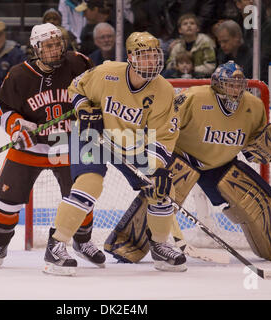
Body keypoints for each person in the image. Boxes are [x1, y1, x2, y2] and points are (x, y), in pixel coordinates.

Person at [104, 61, 271, 264]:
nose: (235, 89)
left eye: (239, 85)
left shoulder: (253, 106)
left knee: (256, 195)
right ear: (217, 84)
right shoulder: (193, 97)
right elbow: (164, 125)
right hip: (182, 157)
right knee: (161, 193)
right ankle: (127, 241)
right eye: (230, 84)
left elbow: (251, 150)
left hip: (221, 163)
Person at [43, 31, 186, 276]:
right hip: (93, 135)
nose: (152, 62)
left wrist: (158, 168)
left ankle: (160, 245)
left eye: (155, 56)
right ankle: (56, 246)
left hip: (132, 142)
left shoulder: (165, 91)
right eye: (145, 56)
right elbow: (75, 89)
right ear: (131, 57)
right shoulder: (105, 73)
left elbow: (163, 136)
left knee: (162, 190)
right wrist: (85, 111)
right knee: (90, 185)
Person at [0, 23, 96, 268]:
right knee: (7, 201)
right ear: (36, 49)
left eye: (58, 44)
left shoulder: (79, 63)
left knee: (81, 196)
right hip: (30, 145)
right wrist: (17, 127)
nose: (55, 49)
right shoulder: (19, 75)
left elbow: (97, 91)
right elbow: (3, 110)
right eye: (48, 46)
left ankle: (83, 242)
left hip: (69, 143)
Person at [165, 13, 216, 78]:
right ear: (180, 30)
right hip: (180, 74)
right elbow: (169, 64)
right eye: (185, 24)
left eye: (192, 23)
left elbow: (211, 66)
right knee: (168, 73)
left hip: (200, 75)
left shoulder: (205, 42)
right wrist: (180, 67)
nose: (189, 26)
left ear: (198, 28)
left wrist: (192, 68)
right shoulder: (177, 45)